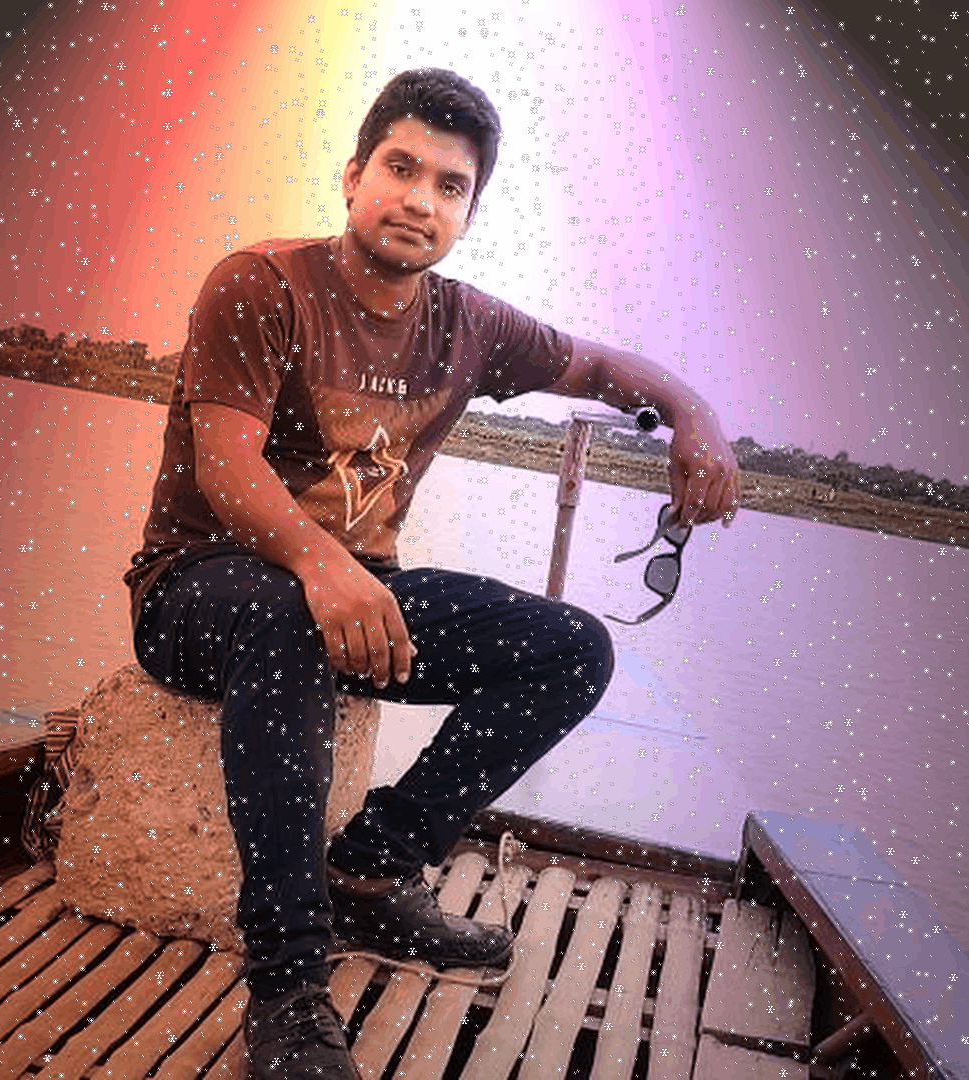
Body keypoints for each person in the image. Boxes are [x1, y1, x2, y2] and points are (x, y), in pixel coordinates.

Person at [124, 67, 739, 1079]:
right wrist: (321, 564)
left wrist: (695, 416)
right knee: (285, 614)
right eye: (400, 169)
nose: (420, 200)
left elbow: (599, 367)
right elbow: (226, 470)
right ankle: (287, 985)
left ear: (468, 210)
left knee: (569, 650)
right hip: (196, 588)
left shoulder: (468, 325)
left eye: (450, 185)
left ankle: (371, 872)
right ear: (353, 176)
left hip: (350, 592)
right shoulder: (262, 283)